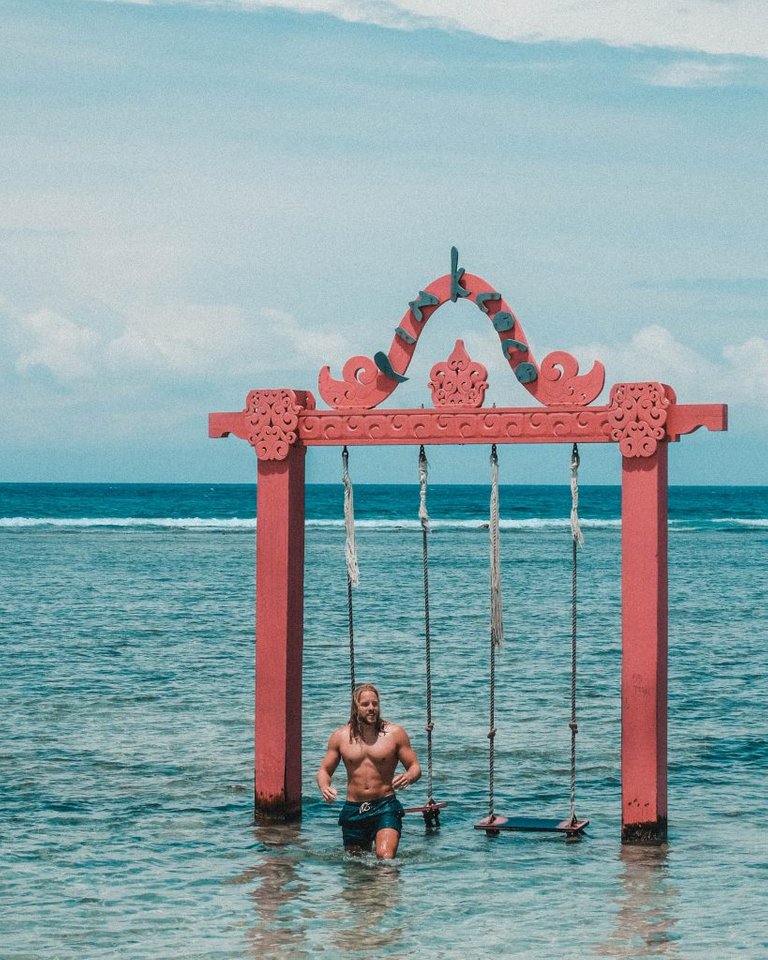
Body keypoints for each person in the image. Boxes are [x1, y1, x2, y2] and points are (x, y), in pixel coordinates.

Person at [316, 682, 421, 858]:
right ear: (355, 708)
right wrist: (325, 787)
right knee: (356, 867)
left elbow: (415, 767)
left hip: (385, 806)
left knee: (385, 858)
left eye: (375, 703)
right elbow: (324, 770)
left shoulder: (395, 734)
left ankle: (387, 884)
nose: (371, 708)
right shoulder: (340, 737)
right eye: (365, 704)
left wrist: (409, 776)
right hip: (353, 809)